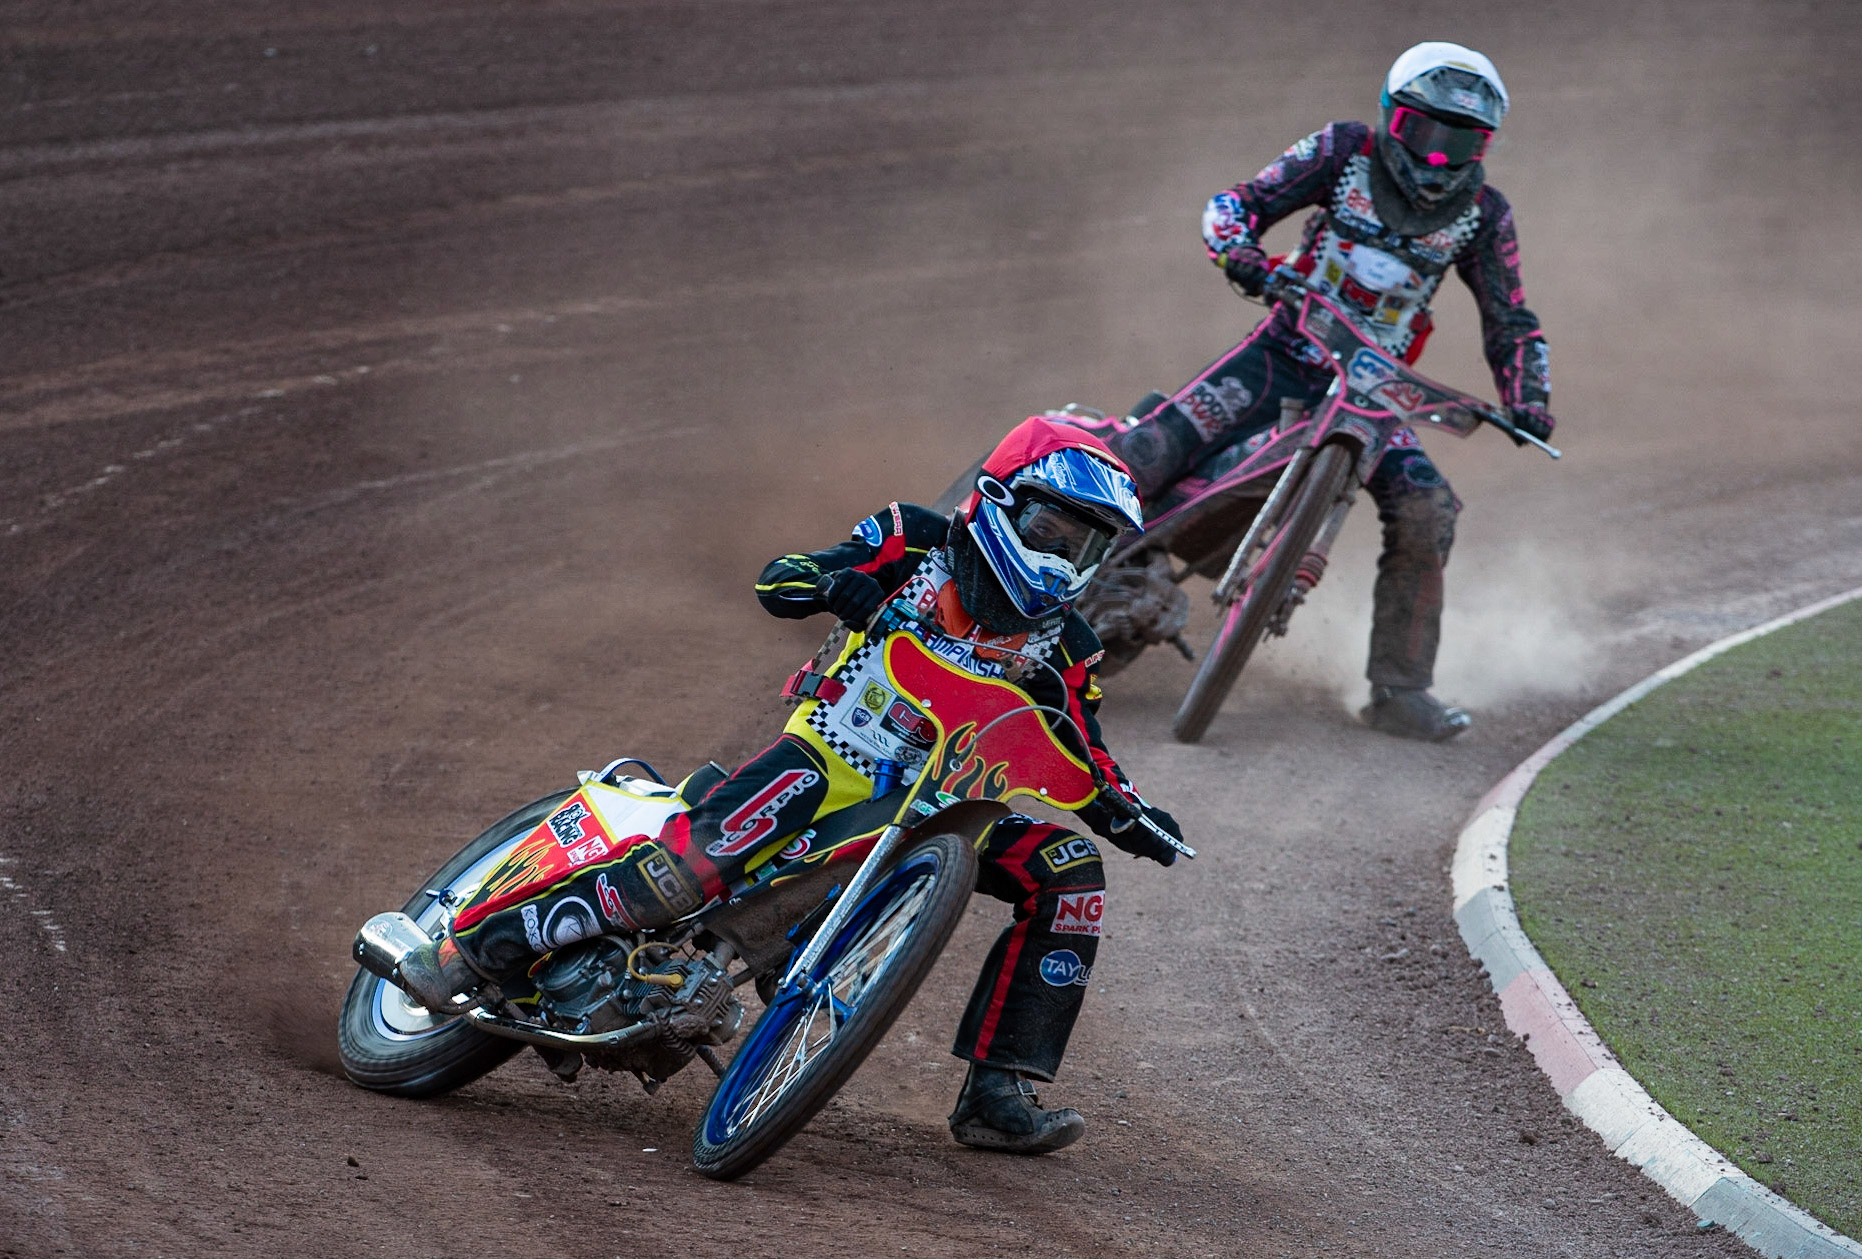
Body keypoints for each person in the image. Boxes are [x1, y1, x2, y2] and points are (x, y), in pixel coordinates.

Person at [397, 416, 1184, 1155]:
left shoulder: (1069, 645)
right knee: (695, 865)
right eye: (1054, 530)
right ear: (1004, 498)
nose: (1064, 555)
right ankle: (472, 948)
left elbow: (1085, 747)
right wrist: (828, 585)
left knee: (1071, 874)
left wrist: (1133, 812)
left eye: (1085, 545)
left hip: (950, 806)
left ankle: (996, 1095)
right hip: (828, 758)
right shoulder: (916, 539)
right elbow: (786, 576)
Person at [1111, 41, 1554, 741]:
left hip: (1377, 395)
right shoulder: (1342, 150)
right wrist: (1243, 255)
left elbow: (1512, 320)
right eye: (1424, 134)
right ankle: (1015, 575)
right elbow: (1240, 203)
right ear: (1390, 117)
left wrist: (1530, 399)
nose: (1437, 158)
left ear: (1485, 146)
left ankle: (1399, 691)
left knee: (1428, 505)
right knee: (1146, 451)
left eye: (1460, 141)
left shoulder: (1486, 215)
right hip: (1284, 352)